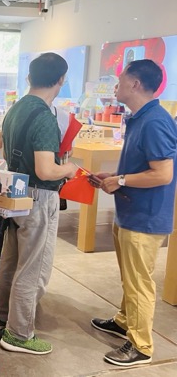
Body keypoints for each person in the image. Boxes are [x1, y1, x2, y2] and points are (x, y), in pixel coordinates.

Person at [90, 59, 177, 367]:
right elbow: (142, 166)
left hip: (145, 217)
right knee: (130, 275)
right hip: (129, 210)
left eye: (121, 79)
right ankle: (124, 321)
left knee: (139, 281)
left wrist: (122, 180)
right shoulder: (139, 117)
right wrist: (115, 177)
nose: (116, 85)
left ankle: (141, 346)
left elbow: (163, 174)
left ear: (136, 84)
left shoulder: (155, 121)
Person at [0, 52, 77, 355]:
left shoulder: (15, 109)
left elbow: (1, 146)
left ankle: (1, 317)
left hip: (14, 192)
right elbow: (46, 170)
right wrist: (69, 169)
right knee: (34, 267)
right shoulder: (45, 116)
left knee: (10, 260)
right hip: (39, 196)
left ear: (30, 77)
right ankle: (19, 333)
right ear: (61, 80)